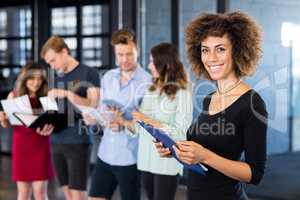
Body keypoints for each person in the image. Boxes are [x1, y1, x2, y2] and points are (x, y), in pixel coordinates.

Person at [155, 11, 268, 200]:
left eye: (220, 49)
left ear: (238, 51)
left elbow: (255, 174)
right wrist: (174, 151)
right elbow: (201, 151)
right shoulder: (209, 97)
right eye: (205, 50)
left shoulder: (252, 104)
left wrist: (206, 156)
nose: (211, 58)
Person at [115, 42, 193, 200]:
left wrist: (147, 119)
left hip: (166, 163)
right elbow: (139, 128)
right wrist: (122, 120)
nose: (149, 66)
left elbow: (181, 132)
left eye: (152, 61)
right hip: (145, 161)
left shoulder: (183, 92)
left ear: (165, 65)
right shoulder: (151, 89)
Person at [83, 28, 151, 200]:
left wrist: (122, 122)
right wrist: (94, 117)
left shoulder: (148, 82)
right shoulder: (108, 77)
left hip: (131, 157)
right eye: (120, 54)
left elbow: (148, 126)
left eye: (129, 54)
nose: (124, 59)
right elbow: (102, 109)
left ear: (138, 51)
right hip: (105, 152)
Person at [40, 36, 100, 200]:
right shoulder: (55, 77)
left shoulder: (90, 72)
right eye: (49, 63)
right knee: (67, 194)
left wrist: (67, 94)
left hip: (78, 142)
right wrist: (46, 124)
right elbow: (54, 111)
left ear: (64, 52)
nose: (52, 66)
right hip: (56, 141)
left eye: (53, 60)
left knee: (78, 195)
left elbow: (94, 104)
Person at [0, 62, 54, 200]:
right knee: (23, 193)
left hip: (41, 146)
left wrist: (51, 128)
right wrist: (2, 119)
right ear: (24, 78)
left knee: (40, 192)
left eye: (39, 78)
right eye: (32, 78)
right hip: (21, 147)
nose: (36, 83)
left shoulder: (47, 97)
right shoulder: (14, 96)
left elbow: (54, 123)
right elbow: (6, 124)